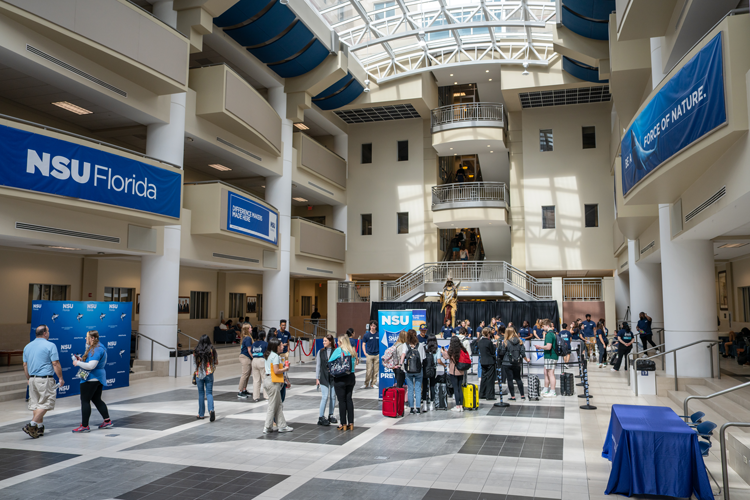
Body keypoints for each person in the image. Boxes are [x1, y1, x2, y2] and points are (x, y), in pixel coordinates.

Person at [22, 325, 63, 438]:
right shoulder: (50, 345)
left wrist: (28, 378)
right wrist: (60, 378)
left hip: (32, 379)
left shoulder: (27, 346)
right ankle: (32, 424)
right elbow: (55, 363)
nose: (49, 333)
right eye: (48, 331)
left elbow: (25, 365)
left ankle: (39, 428)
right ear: (45, 333)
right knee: (47, 402)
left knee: (36, 405)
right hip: (45, 379)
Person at [72, 330, 113, 432]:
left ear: (93, 338)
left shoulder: (96, 349)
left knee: (85, 401)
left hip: (91, 378)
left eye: (87, 337)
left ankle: (85, 426)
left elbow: (91, 366)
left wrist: (78, 363)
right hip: (97, 378)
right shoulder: (98, 347)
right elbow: (91, 362)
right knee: (97, 399)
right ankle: (107, 421)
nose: (85, 339)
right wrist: (82, 360)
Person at [263, 337, 293, 433]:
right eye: (280, 345)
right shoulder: (275, 356)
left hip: (267, 380)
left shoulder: (268, 355)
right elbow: (276, 371)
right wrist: (286, 368)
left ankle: (282, 426)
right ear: (276, 346)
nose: (282, 346)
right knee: (272, 405)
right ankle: (267, 427)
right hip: (273, 382)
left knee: (278, 404)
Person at [329, 335, 358, 430]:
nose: (337, 343)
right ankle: (351, 423)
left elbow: (330, 362)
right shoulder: (352, 351)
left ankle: (343, 424)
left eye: (338, 341)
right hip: (351, 377)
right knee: (349, 399)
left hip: (340, 377)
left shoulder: (338, 350)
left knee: (342, 401)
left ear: (341, 342)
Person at [498, 327, 530, 401]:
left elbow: (502, 353)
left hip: (507, 363)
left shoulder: (505, 342)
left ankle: (513, 396)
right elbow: (523, 353)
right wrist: (526, 360)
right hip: (517, 362)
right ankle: (522, 395)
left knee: (509, 380)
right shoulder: (520, 341)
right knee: (518, 379)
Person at [191, 335, 218, 421]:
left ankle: (201, 414)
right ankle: (211, 410)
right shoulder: (212, 350)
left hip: (199, 374)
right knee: (209, 393)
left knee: (201, 394)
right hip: (209, 373)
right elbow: (215, 362)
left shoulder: (196, 351)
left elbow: (194, 364)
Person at [400, 329, 426, 414]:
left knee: (410, 389)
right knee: (418, 389)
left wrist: (401, 364)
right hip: (418, 370)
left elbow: (403, 355)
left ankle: (411, 408)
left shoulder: (405, 345)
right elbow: (423, 358)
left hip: (409, 370)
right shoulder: (420, 345)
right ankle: (418, 408)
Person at [315, 334, 337, 426]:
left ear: (330, 341)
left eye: (325, 341)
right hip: (323, 376)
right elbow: (318, 365)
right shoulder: (320, 352)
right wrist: (317, 378)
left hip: (333, 377)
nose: (323, 342)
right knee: (324, 396)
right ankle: (321, 417)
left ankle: (331, 415)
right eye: (323, 341)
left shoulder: (335, 351)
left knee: (332, 396)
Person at [442, 336, 467, 412]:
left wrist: (443, 351)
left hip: (453, 371)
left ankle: (457, 406)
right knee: (460, 388)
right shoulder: (462, 349)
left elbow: (447, 357)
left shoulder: (452, 349)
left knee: (455, 388)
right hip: (461, 371)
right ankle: (461, 406)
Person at [535, 320, 558, 398]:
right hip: (549, 356)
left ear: (547, 326)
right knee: (546, 373)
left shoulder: (549, 335)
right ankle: (546, 389)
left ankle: (553, 391)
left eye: (543, 326)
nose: (542, 328)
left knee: (551, 374)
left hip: (551, 356)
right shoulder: (552, 333)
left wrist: (540, 347)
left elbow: (548, 347)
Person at [359, 321, 379, 389]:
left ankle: (373, 383)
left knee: (375, 371)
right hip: (369, 354)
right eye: (371, 326)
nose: (372, 327)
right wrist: (364, 352)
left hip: (377, 355)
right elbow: (363, 344)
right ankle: (366, 383)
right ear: (370, 326)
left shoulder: (378, 334)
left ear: (376, 326)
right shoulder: (366, 335)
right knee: (369, 370)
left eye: (374, 326)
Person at [478, 327, 496, 400]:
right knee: (490, 379)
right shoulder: (489, 342)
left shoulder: (480, 341)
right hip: (490, 361)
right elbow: (492, 351)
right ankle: (490, 395)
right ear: (488, 334)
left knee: (484, 377)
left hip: (483, 361)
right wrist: (494, 346)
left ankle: (482, 393)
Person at [422, 335, 439, 410]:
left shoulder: (424, 347)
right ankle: (432, 404)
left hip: (425, 368)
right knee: (432, 386)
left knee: (425, 386)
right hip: (433, 369)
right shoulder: (436, 349)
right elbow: (438, 360)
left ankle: (425, 404)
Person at [251, 330, 268, 402]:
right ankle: (266, 396)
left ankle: (255, 397)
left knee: (256, 380)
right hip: (262, 360)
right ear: (264, 336)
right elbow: (267, 353)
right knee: (264, 379)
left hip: (254, 361)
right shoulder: (265, 344)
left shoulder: (254, 344)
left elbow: (252, 352)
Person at [238, 323, 253, 398]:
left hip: (246, 357)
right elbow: (249, 350)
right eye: (250, 328)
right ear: (247, 329)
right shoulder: (248, 338)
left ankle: (244, 389)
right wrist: (254, 357)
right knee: (245, 374)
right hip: (245, 357)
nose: (251, 329)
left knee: (247, 374)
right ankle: (240, 391)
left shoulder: (245, 337)